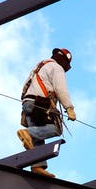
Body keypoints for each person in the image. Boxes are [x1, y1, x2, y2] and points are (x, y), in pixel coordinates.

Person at [17, 48, 77, 177]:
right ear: (64, 62)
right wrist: (69, 108)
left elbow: (26, 85)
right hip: (39, 103)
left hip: (28, 104)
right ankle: (27, 133)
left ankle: (37, 166)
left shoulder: (40, 66)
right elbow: (61, 88)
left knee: (39, 133)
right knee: (56, 128)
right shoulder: (56, 68)